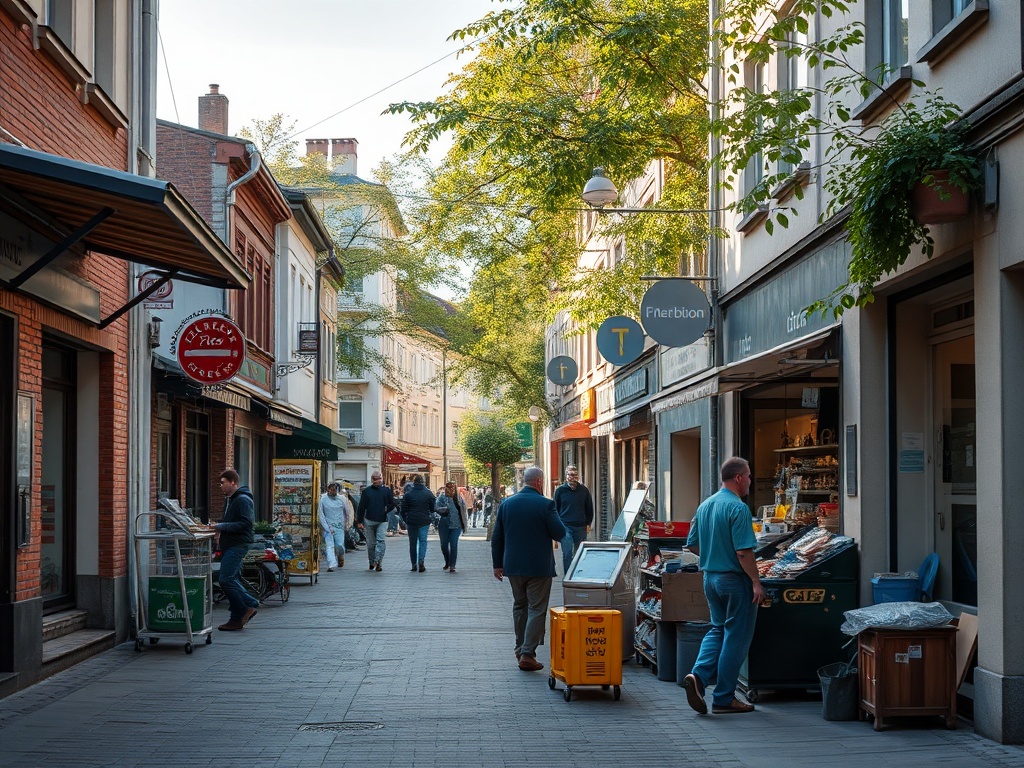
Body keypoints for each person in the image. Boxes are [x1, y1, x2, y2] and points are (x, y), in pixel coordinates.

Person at [682, 457, 765, 715]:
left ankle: (698, 676)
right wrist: (755, 581)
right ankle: (724, 698)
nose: (751, 480)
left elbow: (692, 543)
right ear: (739, 477)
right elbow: (743, 552)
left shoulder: (705, 506)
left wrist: (712, 555)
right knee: (736, 637)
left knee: (717, 629)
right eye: (749, 476)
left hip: (710, 578)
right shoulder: (738, 508)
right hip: (734, 580)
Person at [491, 466, 566, 671]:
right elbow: (559, 533)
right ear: (540, 482)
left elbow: (497, 537)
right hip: (539, 566)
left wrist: (497, 564)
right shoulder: (546, 505)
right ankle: (527, 653)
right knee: (536, 608)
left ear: (525, 481)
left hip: (513, 566)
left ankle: (519, 648)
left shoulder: (507, 504)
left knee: (519, 606)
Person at [211, 469, 259, 631]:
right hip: (231, 544)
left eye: (223, 482)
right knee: (233, 579)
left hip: (237, 544)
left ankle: (250, 604)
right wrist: (220, 530)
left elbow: (246, 523)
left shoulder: (242, 500)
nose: (220, 486)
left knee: (226, 579)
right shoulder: (231, 500)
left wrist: (221, 526)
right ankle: (236, 619)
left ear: (232, 482)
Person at [553, 465, 595, 576]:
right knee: (567, 553)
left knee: (580, 553)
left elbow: (589, 508)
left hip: (580, 527)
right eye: (570, 475)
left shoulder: (584, 490)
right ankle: (568, 576)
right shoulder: (560, 491)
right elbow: (555, 510)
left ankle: (578, 575)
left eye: (575, 475)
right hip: (565, 526)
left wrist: (588, 523)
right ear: (566, 476)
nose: (573, 477)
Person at [356, 471, 396, 571]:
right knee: (371, 543)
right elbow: (361, 507)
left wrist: (386, 510)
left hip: (381, 520)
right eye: (375, 479)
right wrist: (360, 521)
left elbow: (392, 504)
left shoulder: (385, 491)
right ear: (372, 480)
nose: (377, 480)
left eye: (378, 478)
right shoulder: (368, 491)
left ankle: (377, 561)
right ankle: (372, 561)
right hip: (370, 520)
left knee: (379, 541)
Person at [401, 474, 436, 572]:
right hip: (424, 520)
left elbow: (403, 510)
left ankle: (413, 564)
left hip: (411, 521)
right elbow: (433, 509)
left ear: (414, 483)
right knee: (423, 541)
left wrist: (406, 520)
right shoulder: (429, 494)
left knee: (412, 543)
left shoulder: (408, 494)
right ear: (423, 482)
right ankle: (421, 561)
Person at [435, 481, 469, 572]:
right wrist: (443, 509)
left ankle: (452, 565)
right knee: (444, 545)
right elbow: (436, 507)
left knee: (453, 543)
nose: (450, 489)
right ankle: (447, 561)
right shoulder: (442, 497)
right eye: (448, 487)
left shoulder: (459, 498)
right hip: (444, 524)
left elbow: (463, 512)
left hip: (456, 525)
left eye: (452, 487)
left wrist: (464, 525)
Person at [319, 483, 347, 572]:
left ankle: (340, 555)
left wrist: (346, 523)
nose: (332, 492)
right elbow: (321, 513)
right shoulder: (323, 499)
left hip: (339, 525)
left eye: (334, 490)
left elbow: (347, 512)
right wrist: (326, 527)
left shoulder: (342, 499)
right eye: (331, 490)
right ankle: (331, 564)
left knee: (339, 544)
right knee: (329, 545)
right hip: (328, 525)